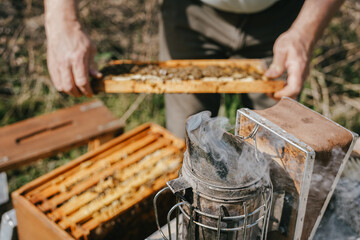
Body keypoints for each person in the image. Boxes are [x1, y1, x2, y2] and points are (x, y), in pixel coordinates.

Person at [44, 0, 344, 138]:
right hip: (189, 13)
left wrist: (304, 33)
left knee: (277, 140)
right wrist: (62, 22)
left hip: (283, 16)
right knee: (187, 135)